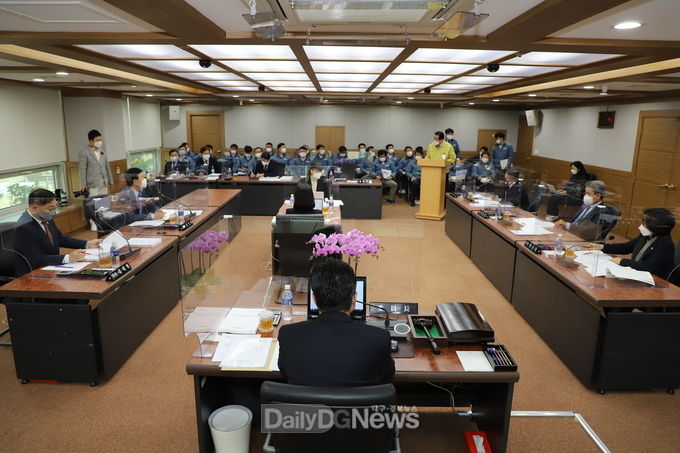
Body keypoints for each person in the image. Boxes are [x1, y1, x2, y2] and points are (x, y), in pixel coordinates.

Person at [278, 257, 395, 386]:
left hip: (304, 400)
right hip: (357, 400)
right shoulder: (379, 339)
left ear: (314, 299)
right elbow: (387, 375)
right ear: (354, 298)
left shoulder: (288, 335)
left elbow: (284, 369)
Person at [13, 189, 99, 277]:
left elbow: (59, 238)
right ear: (34, 208)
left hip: (51, 266)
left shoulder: (44, 216)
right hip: (31, 275)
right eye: (50, 209)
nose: (53, 212)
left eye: (55, 208)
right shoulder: (23, 227)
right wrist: (68, 258)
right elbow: (37, 259)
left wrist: (87, 244)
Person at [588, 208, 675, 280]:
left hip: (655, 280)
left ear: (656, 227)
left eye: (645, 223)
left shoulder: (665, 245)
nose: (641, 225)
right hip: (637, 273)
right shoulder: (646, 235)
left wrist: (622, 261)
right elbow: (627, 247)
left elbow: (648, 267)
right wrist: (602, 247)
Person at [79, 129, 114, 197]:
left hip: (104, 182)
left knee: (104, 200)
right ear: (91, 141)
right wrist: (83, 184)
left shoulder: (103, 151)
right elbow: (82, 169)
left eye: (100, 140)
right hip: (93, 184)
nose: (100, 142)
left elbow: (107, 167)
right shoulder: (84, 152)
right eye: (97, 140)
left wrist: (111, 181)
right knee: (94, 201)